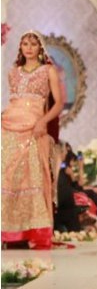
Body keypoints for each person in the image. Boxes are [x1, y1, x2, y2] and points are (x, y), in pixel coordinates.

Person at [1, 30, 63, 249]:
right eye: (25, 43)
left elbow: (58, 103)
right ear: (20, 47)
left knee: (31, 178)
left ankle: (32, 230)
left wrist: (42, 122)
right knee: (8, 179)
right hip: (9, 127)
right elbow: (14, 101)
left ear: (40, 48)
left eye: (33, 44)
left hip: (33, 129)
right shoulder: (13, 72)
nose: (28, 48)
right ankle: (8, 231)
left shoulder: (48, 71)